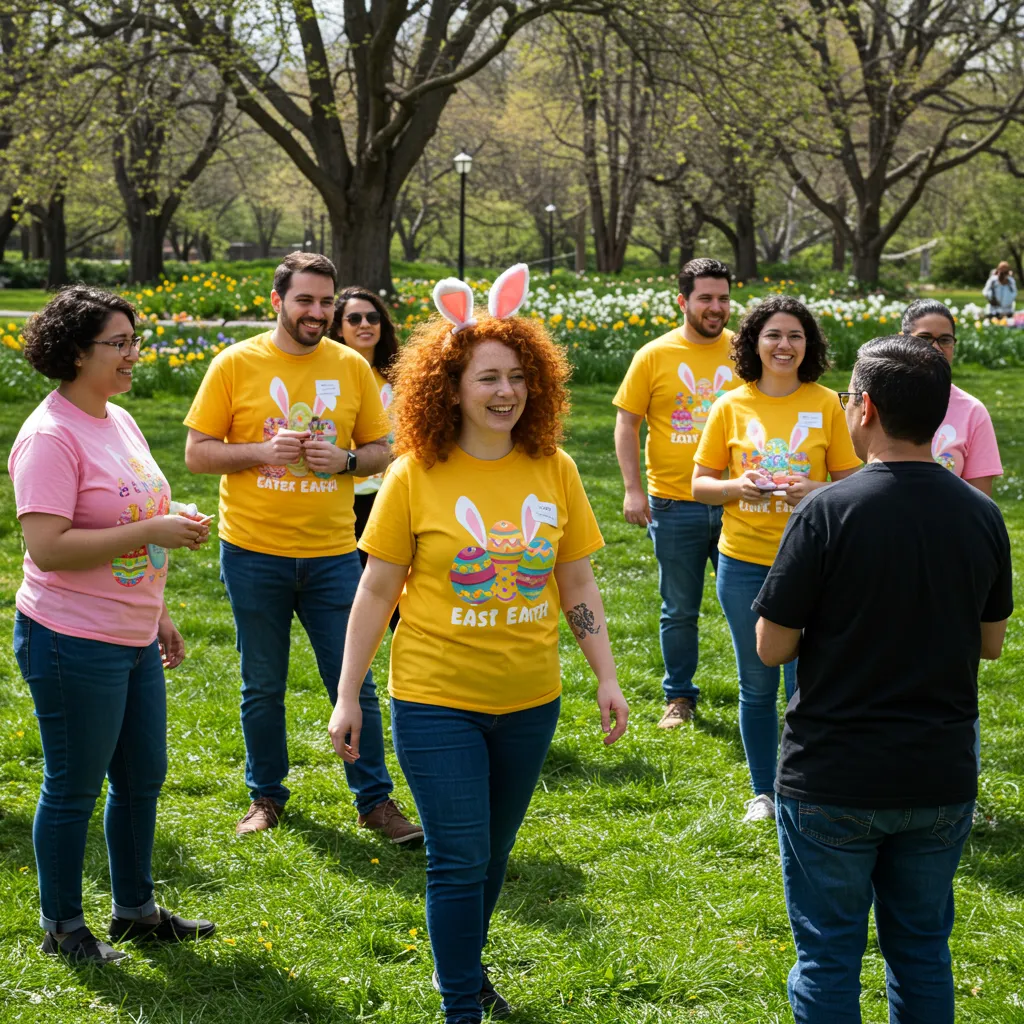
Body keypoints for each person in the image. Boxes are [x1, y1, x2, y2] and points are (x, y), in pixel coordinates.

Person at [327, 266, 629, 1024]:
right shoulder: (414, 474)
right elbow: (375, 590)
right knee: (458, 857)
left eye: (519, 377)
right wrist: (346, 695)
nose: (507, 392)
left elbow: (578, 585)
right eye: (488, 378)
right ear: (450, 387)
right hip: (435, 701)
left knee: (490, 859)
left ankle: (465, 964)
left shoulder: (553, 469)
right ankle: (459, 1000)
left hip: (530, 701)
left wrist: (607, 678)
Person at [754, 336, 1012, 1024]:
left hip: (834, 775)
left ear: (863, 408)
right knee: (923, 951)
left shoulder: (827, 512)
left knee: (829, 956)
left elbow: (772, 645)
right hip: (938, 774)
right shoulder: (983, 516)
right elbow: (991, 644)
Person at [183, 252, 422, 843]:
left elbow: (382, 448)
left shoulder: (349, 367)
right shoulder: (235, 364)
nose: (318, 312)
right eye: (305, 301)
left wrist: (344, 460)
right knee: (262, 685)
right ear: (277, 302)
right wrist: (260, 453)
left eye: (325, 302)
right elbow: (197, 452)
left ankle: (375, 801)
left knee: (355, 680)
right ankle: (265, 796)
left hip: (333, 554)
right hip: (252, 552)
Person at [9, 287, 216, 964]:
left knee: (141, 776)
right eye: (119, 343)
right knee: (73, 786)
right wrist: (152, 528)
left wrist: (158, 613)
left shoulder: (118, 420)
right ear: (75, 352)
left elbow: (131, 515)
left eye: (135, 340)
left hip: (129, 634)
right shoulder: (49, 435)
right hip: (71, 640)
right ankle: (62, 928)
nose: (134, 354)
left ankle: (135, 909)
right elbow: (48, 547)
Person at [692, 295, 860, 823]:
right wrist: (736, 487)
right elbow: (698, 485)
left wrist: (816, 490)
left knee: (808, 683)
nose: (784, 345)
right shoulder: (730, 405)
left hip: (816, 564)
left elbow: (854, 481)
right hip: (742, 563)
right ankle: (763, 791)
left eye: (795, 336)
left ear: (807, 345)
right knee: (758, 681)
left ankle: (805, 785)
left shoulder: (828, 403)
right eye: (773, 335)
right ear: (753, 344)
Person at [613, 258, 738, 728]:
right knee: (680, 609)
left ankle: (762, 693)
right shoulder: (654, 355)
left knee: (754, 603)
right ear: (683, 301)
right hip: (673, 503)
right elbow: (627, 421)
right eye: (705, 298)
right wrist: (632, 489)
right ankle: (679, 698)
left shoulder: (744, 352)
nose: (716, 307)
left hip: (737, 501)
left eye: (723, 298)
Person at [329, 285, 400, 631]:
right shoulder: (329, 377)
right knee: (357, 593)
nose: (364, 324)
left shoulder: (401, 378)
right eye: (353, 318)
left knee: (399, 591)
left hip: (394, 494)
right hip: (344, 498)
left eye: (373, 317)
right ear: (338, 327)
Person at [901, 299, 1003, 495]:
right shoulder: (883, 401)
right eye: (925, 337)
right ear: (903, 340)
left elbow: (980, 500)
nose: (936, 348)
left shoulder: (972, 412)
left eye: (945, 340)